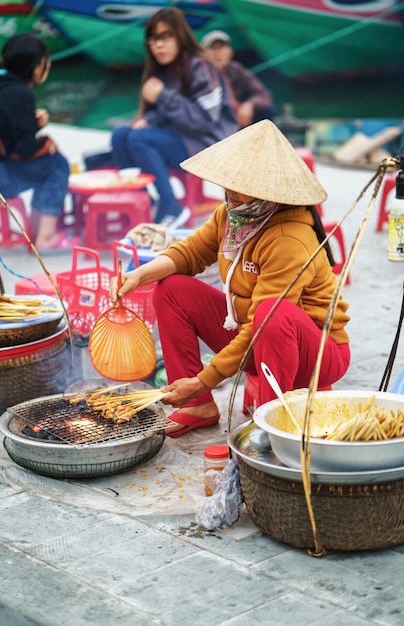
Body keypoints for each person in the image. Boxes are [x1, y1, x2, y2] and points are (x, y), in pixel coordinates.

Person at [109, 120, 351, 437]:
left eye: (237, 188)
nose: (228, 195)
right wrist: (137, 276)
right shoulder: (233, 214)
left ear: (266, 191)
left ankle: (270, 427)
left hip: (314, 353)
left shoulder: (288, 239)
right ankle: (197, 405)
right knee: (172, 288)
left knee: (270, 313)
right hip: (255, 339)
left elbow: (264, 324)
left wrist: (203, 377)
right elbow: (191, 252)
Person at [111, 8, 239, 230]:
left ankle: (172, 207)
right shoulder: (164, 70)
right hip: (183, 137)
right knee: (120, 135)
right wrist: (149, 119)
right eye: (153, 39)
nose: (158, 45)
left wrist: (162, 95)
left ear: (180, 35)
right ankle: (146, 202)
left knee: (139, 139)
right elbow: (165, 112)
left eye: (165, 37)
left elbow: (204, 120)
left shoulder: (201, 67)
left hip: (210, 144)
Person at [0, 33, 75, 252]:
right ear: (36, 67)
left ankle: (36, 226)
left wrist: (30, 123)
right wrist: (38, 128)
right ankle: (45, 237)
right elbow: (25, 149)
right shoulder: (19, 93)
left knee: (44, 167)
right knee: (56, 164)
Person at [202, 30, 276, 129]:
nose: (218, 52)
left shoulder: (236, 70)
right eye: (213, 48)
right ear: (203, 53)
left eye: (222, 47)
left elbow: (263, 95)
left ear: (230, 52)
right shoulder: (200, 74)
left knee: (267, 110)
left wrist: (249, 104)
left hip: (238, 118)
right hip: (212, 120)